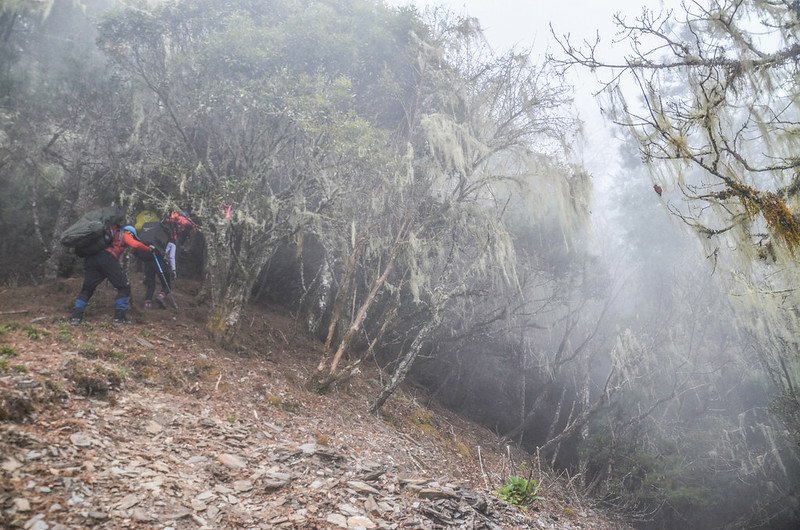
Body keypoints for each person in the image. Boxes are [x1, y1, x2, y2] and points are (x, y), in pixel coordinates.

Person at [70, 225, 155, 325]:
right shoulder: (124, 234)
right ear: (130, 233)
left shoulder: (109, 235)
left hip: (91, 260)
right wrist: (148, 249)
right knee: (124, 287)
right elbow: (135, 245)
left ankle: (75, 318)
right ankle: (119, 318)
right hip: (108, 259)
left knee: (87, 289)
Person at [133, 221, 173, 309]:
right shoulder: (162, 235)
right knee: (166, 283)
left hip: (147, 259)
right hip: (157, 259)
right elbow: (168, 254)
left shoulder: (147, 235)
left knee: (150, 283)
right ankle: (161, 296)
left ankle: (148, 302)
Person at [163, 210, 197, 280]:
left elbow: (191, 227)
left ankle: (172, 273)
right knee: (170, 256)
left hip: (176, 240)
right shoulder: (173, 220)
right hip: (173, 239)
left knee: (172, 256)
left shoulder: (182, 220)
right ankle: (170, 272)